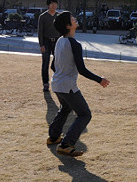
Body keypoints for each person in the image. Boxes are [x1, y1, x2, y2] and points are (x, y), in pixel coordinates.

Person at [47, 11, 110, 157]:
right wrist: (99, 79)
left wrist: (63, 72)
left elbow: (53, 66)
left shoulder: (59, 41)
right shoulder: (75, 44)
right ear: (69, 26)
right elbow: (81, 69)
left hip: (56, 84)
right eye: (73, 19)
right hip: (67, 86)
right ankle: (66, 144)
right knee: (85, 114)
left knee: (66, 108)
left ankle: (54, 137)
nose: (76, 19)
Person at [38, 0, 60, 92]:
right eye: (51, 3)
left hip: (57, 41)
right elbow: (40, 32)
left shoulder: (59, 16)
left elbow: (62, 30)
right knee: (45, 63)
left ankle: (58, 81)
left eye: (55, 3)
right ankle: (45, 84)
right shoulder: (43, 17)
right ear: (48, 5)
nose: (53, 5)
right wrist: (41, 44)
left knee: (57, 63)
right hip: (46, 42)